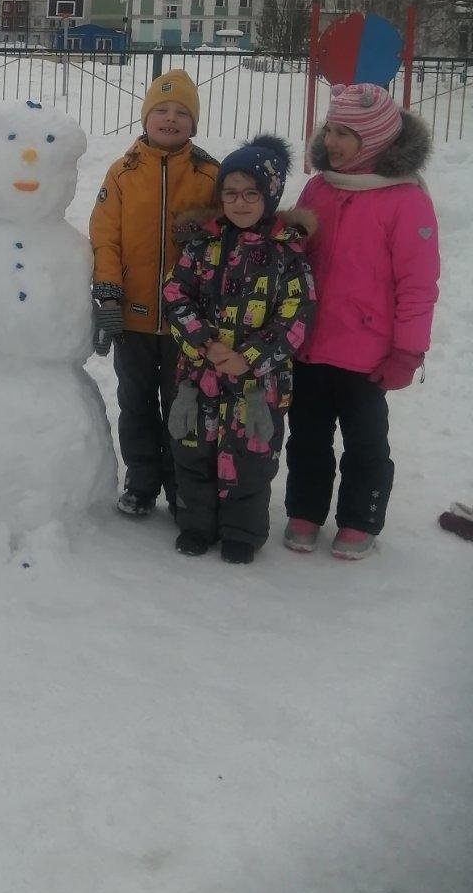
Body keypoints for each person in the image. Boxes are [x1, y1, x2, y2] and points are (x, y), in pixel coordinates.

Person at [282, 84, 440, 561]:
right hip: (309, 343)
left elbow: (417, 284)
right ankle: (305, 510)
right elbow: (296, 253)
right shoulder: (320, 186)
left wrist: (408, 351)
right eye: (330, 129)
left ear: (374, 140)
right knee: (307, 436)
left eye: (346, 133)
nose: (332, 141)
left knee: (365, 442)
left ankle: (360, 517)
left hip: (367, 352)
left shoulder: (405, 200)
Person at [162, 135, 316, 563]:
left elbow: (296, 315)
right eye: (231, 194)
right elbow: (176, 295)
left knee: (250, 457)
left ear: (270, 195)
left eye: (251, 194)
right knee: (193, 448)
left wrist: (247, 356)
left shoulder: (288, 253)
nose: (240, 203)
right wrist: (205, 344)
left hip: (259, 385)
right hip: (199, 374)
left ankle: (242, 533)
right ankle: (196, 525)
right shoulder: (202, 245)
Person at [89, 70, 219, 518]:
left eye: (182, 112)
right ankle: (142, 481)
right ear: (145, 118)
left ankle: (184, 488)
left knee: (184, 407)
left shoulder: (210, 176)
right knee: (135, 403)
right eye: (161, 110)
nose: (170, 118)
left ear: (194, 123)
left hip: (190, 325)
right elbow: (105, 237)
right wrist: (107, 296)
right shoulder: (123, 172)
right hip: (135, 318)